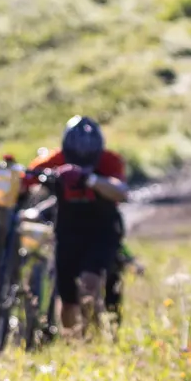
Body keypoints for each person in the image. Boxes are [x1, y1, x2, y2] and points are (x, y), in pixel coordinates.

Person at [22, 117, 128, 335]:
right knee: (68, 298)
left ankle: (92, 338)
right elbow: (27, 177)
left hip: (102, 231)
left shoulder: (110, 161)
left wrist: (89, 179)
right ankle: (73, 340)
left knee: (90, 284)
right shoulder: (56, 159)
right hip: (67, 230)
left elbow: (120, 191)